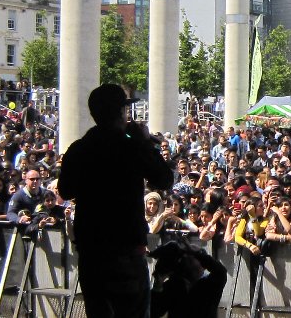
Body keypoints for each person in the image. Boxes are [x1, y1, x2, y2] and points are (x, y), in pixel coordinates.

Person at [57, 84, 173, 318]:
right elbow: (164, 179)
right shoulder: (130, 147)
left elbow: (65, 190)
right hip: (125, 248)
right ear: (121, 112)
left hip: (92, 251)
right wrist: (144, 142)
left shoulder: (79, 149)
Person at [147, 241, 227, 318]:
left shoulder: (210, 285)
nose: (185, 258)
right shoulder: (174, 285)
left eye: (191, 256)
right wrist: (157, 286)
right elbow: (154, 312)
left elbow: (220, 271)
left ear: (203, 263)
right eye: (184, 256)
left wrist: (195, 253)